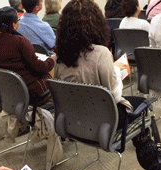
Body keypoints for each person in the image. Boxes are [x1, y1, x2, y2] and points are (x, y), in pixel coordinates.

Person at [55, 0, 147, 130]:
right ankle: (145, 146)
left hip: (74, 118)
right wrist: (116, 73)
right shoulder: (101, 53)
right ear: (96, 23)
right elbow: (114, 95)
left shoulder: (59, 56)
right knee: (143, 103)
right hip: (104, 120)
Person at [0, 7, 54, 104]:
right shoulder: (21, 42)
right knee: (51, 72)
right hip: (30, 92)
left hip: (7, 91)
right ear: (14, 25)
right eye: (18, 20)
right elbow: (39, 67)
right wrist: (52, 60)